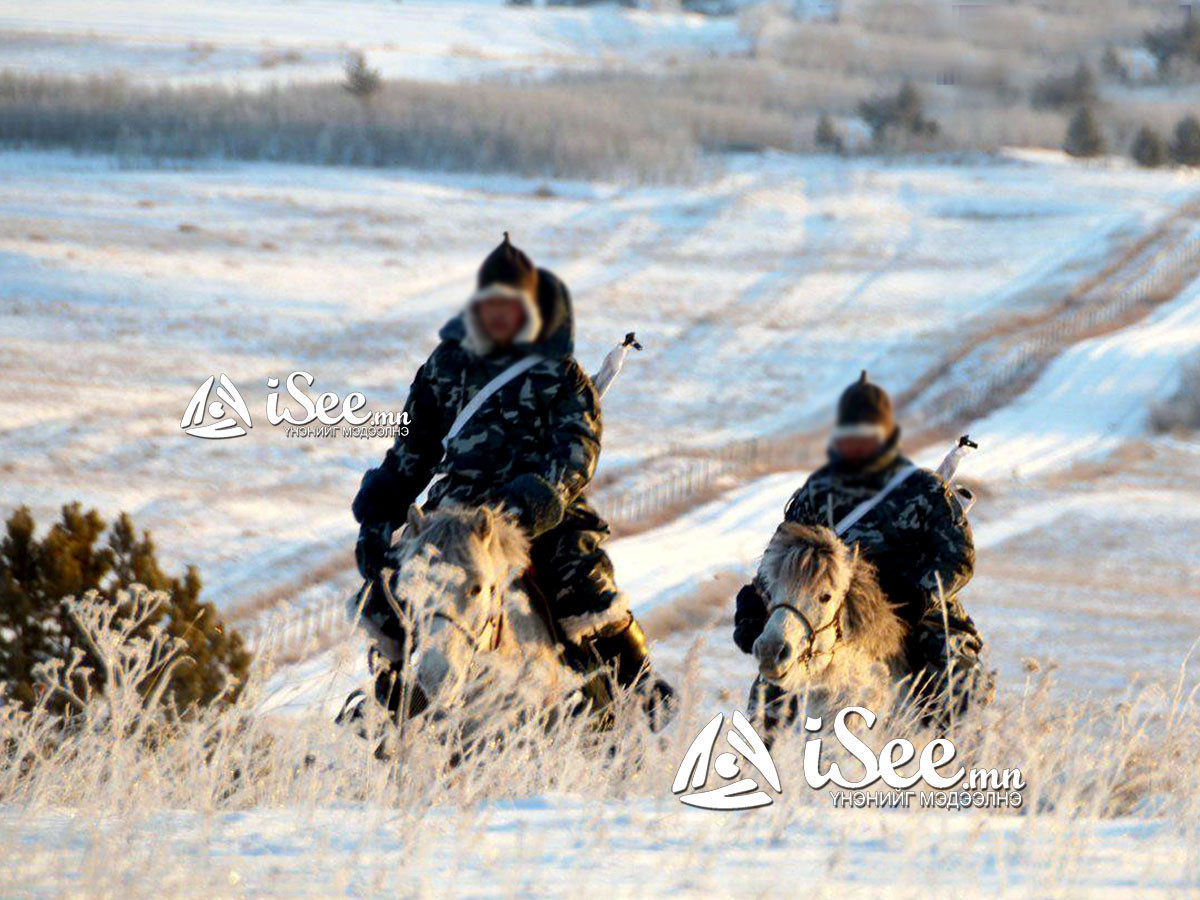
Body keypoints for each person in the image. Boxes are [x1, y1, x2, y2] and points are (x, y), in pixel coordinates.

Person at [351, 233, 673, 723]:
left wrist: (538, 499)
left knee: (583, 584)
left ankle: (638, 688)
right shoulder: (444, 366)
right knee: (387, 594)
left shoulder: (560, 373)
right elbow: (411, 451)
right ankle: (387, 706)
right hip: (454, 514)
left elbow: (578, 449)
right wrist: (379, 514)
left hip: (538, 514)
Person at [733, 371, 992, 726]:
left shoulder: (925, 490)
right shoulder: (819, 490)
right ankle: (758, 755)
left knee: (955, 675)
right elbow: (784, 557)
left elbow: (959, 558)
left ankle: (955, 758)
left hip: (910, 610)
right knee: (774, 676)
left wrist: (918, 594)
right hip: (828, 608)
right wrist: (753, 600)